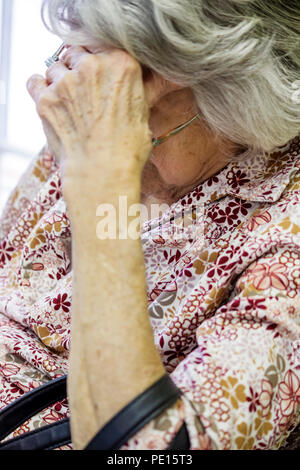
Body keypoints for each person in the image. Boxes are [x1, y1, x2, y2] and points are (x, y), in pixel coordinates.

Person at [0, 0, 300, 450]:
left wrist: (102, 183)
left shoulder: (284, 242)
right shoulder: (97, 109)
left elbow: (153, 453)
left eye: (142, 120)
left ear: (239, 105)